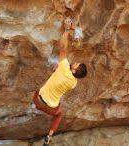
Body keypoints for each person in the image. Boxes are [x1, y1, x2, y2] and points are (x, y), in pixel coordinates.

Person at [32, 18, 87, 146]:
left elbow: (62, 48)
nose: (75, 62)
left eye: (76, 64)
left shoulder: (64, 67)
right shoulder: (73, 83)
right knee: (59, 114)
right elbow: (61, 75)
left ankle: (36, 103)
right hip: (50, 108)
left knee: (38, 90)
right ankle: (49, 136)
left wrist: (67, 30)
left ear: (74, 71)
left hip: (38, 100)